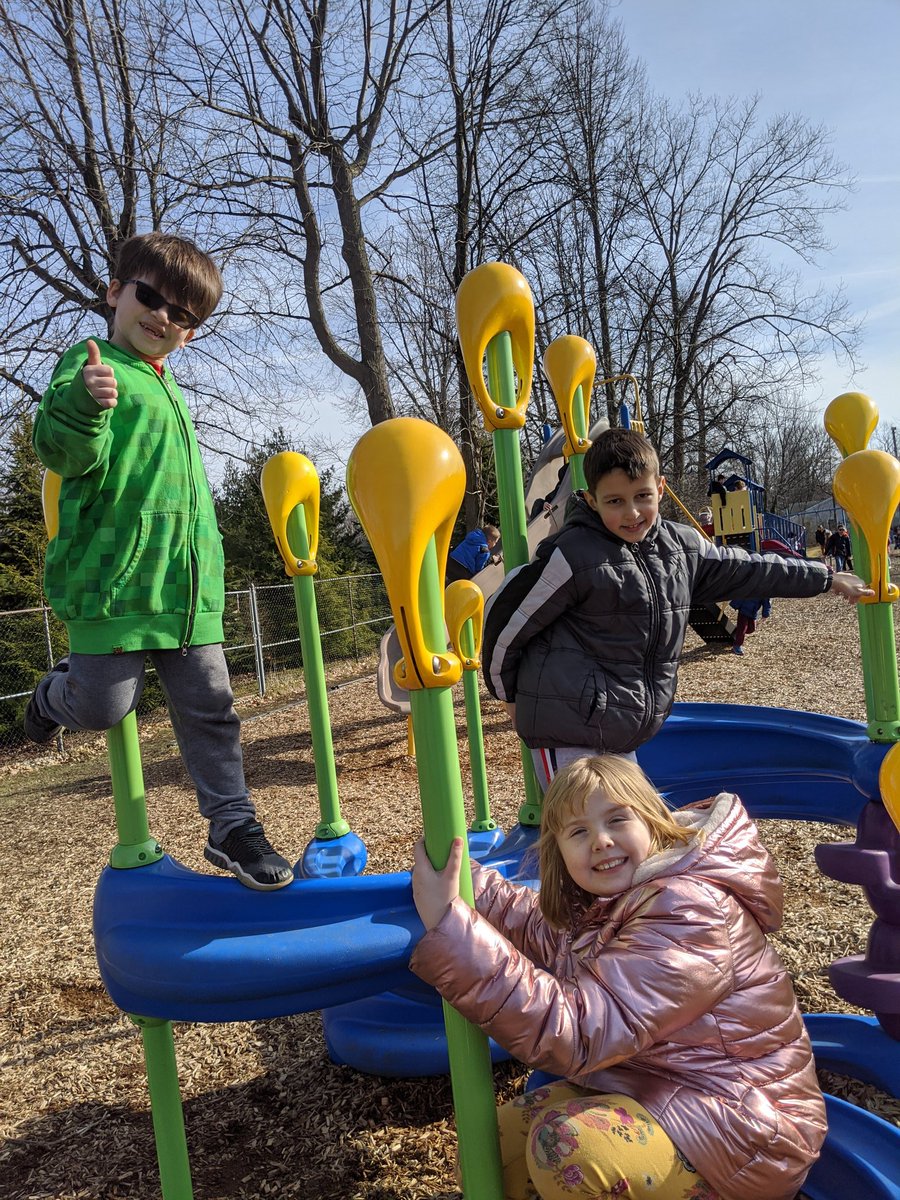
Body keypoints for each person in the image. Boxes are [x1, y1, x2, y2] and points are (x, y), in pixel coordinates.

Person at [410, 755, 826, 1200]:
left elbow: (577, 1031)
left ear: (653, 822)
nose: (601, 841)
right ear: (559, 852)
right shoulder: (608, 905)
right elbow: (536, 927)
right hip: (661, 1090)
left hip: (743, 1126)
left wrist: (450, 928)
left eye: (617, 819)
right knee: (491, 1144)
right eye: (579, 831)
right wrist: (463, 882)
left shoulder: (688, 910)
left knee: (566, 1148)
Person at [25, 231, 292, 891]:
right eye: (150, 297)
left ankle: (232, 826)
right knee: (103, 707)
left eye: (183, 315)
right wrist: (85, 404)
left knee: (212, 708)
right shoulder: (92, 365)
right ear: (115, 293)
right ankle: (52, 694)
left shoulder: (169, 389)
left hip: (185, 586)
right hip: (114, 586)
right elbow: (63, 452)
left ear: (190, 335)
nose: (163, 317)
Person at [483, 428, 873, 790]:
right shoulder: (574, 555)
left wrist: (824, 577)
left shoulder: (681, 548)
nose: (632, 513)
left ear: (660, 489)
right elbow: (506, 622)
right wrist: (508, 698)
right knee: (586, 836)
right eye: (615, 501)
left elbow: (748, 568)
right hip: (568, 731)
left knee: (623, 838)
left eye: (642, 497)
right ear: (590, 500)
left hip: (623, 728)